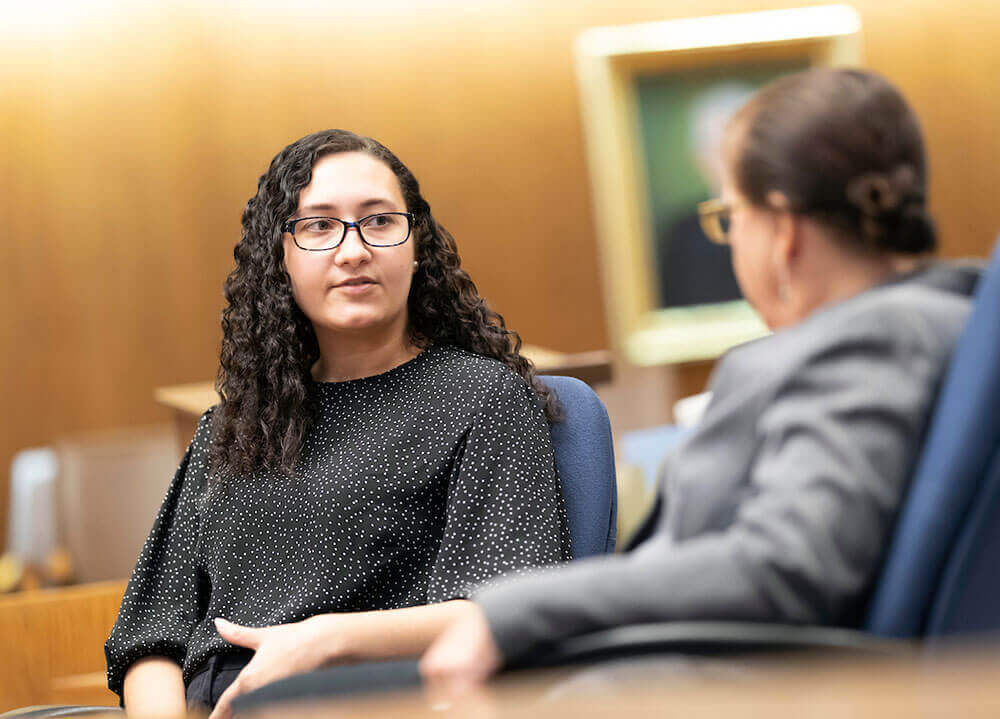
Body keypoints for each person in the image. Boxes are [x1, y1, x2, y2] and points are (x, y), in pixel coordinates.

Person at [420, 67, 980, 686]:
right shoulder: (935, 325)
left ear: (783, 231)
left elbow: (786, 565)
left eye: (730, 215)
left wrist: (511, 612)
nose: (728, 238)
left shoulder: (873, 342)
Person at [104, 130, 572, 717]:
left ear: (416, 246)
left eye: (378, 221)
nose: (353, 250)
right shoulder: (232, 424)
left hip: (367, 697)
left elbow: (506, 606)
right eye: (319, 226)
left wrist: (324, 639)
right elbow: (151, 636)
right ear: (281, 258)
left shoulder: (480, 396)